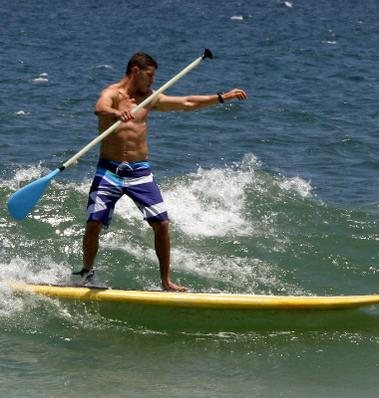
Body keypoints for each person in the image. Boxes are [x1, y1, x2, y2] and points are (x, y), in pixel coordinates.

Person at [72, 52, 248, 291]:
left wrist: (222, 97)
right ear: (135, 71)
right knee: (94, 222)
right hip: (109, 170)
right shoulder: (113, 94)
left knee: (162, 224)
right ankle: (87, 272)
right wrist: (116, 113)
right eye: (149, 75)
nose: (152, 81)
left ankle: (166, 281)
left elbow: (186, 102)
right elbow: (100, 108)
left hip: (139, 171)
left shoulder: (149, 98)